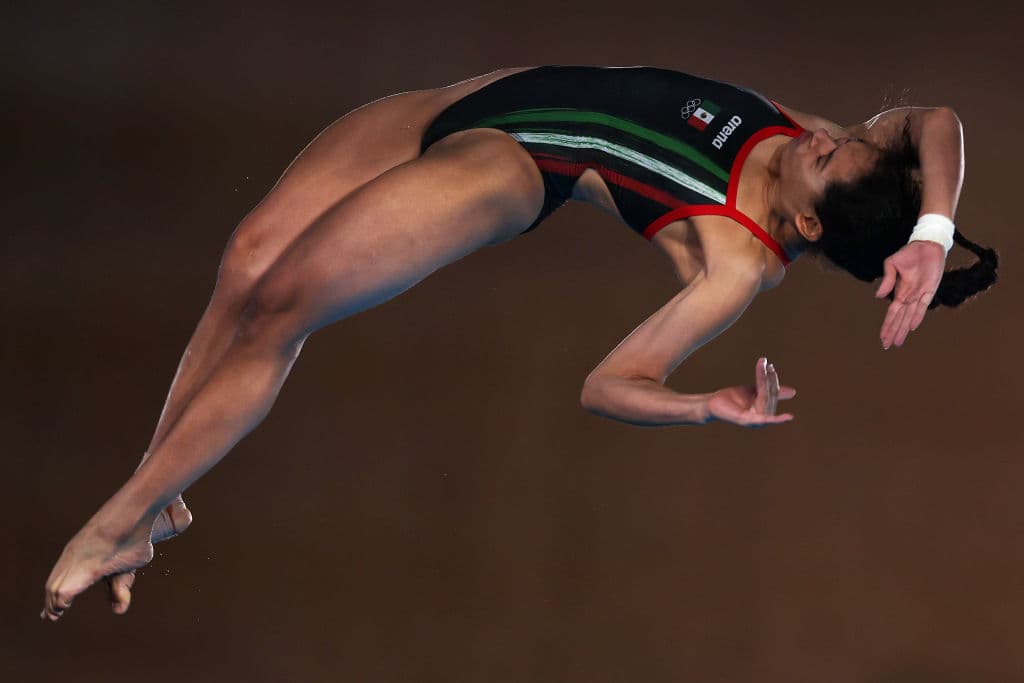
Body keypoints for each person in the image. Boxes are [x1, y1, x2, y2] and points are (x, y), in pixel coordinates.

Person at [41, 65, 997, 621]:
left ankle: (120, 518)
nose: (820, 137)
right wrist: (931, 233)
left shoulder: (737, 267)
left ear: (813, 226)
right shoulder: (840, 151)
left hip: (506, 165)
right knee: (246, 260)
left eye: (826, 157)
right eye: (837, 138)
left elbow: (610, 382)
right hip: (464, 100)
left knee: (283, 299)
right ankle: (157, 505)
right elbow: (935, 120)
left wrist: (703, 403)